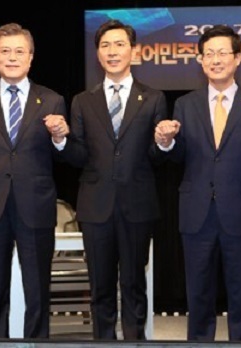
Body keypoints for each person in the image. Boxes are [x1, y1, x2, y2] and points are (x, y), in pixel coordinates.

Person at [155, 25, 241, 341]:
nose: (216, 60)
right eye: (208, 54)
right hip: (196, 213)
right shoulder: (185, 104)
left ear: (238, 58)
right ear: (200, 60)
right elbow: (178, 156)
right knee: (198, 296)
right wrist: (166, 142)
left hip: (240, 213)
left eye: (222, 53)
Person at [51, 19, 168, 340]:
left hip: (138, 205)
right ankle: (103, 342)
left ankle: (134, 341)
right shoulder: (82, 101)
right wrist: (61, 140)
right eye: (105, 45)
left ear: (133, 51)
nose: (112, 51)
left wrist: (164, 142)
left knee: (134, 284)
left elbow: (157, 158)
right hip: (95, 206)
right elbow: (77, 157)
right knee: (100, 286)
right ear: (97, 54)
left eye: (119, 45)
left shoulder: (154, 98)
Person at [0, 22, 69, 338]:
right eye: (5, 51)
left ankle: (37, 345)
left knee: (37, 292)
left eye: (19, 51)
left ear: (31, 58)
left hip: (35, 206)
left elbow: (64, 155)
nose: (12, 57)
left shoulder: (52, 100)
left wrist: (60, 137)